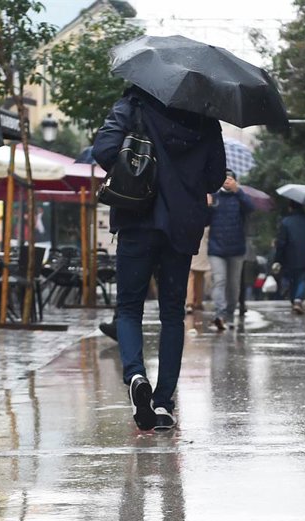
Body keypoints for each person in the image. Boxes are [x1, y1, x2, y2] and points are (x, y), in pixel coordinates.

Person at [93, 86, 225, 432]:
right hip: (182, 226)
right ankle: (164, 404)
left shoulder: (132, 106)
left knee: (129, 308)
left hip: (137, 216)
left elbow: (103, 149)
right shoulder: (206, 120)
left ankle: (136, 374)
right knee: (171, 313)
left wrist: (134, 162)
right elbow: (214, 178)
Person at [207, 169, 254, 331]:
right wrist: (206, 205)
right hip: (216, 248)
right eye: (224, 178)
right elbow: (204, 220)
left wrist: (238, 191)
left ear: (235, 181)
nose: (227, 181)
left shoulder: (240, 197)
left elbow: (250, 209)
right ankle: (219, 315)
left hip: (237, 249)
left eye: (230, 179)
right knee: (219, 281)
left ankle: (230, 314)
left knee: (233, 286)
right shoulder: (214, 196)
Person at [274, 200, 305, 314]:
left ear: (290, 208)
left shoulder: (286, 222)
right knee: (302, 278)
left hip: (289, 256)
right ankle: (297, 301)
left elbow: (281, 242)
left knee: (292, 279)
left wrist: (278, 258)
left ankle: (292, 298)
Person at [186, 227, 211, 314]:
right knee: (199, 277)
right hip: (202, 248)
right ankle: (198, 302)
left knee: (191, 277)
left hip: (191, 247)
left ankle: (190, 303)